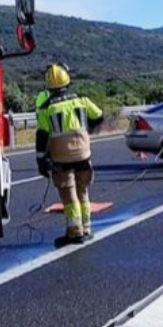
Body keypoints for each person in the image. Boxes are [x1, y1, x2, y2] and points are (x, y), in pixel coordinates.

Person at [36, 63, 104, 247]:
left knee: (69, 196)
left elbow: (42, 135)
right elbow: (98, 115)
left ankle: (75, 233)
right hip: (83, 155)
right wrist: (88, 130)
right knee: (83, 192)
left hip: (61, 159)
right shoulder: (82, 100)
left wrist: (41, 159)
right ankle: (87, 229)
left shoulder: (46, 108)